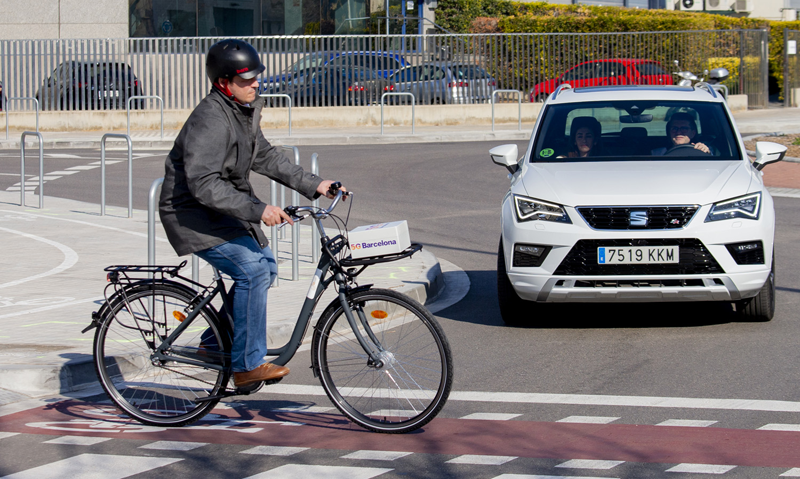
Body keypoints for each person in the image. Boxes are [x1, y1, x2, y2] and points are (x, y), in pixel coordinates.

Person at [159, 39, 342, 388]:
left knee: (267, 266)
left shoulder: (242, 111)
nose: (256, 84)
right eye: (246, 79)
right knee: (252, 271)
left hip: (219, 208)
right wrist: (259, 210)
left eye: (257, 77)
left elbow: (266, 157)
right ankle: (246, 366)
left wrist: (318, 185)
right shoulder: (211, 119)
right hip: (190, 213)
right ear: (224, 82)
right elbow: (203, 183)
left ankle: (214, 344)